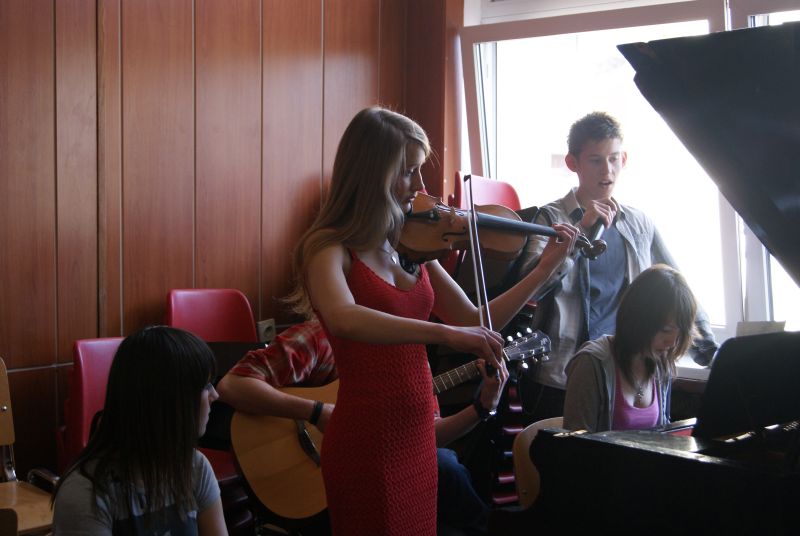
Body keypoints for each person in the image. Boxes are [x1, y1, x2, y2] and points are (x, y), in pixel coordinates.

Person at [286, 106, 578, 535]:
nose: (421, 186)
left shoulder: (410, 247)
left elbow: (476, 318)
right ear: (372, 173)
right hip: (365, 443)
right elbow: (344, 317)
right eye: (408, 172)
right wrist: (447, 334)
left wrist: (543, 271)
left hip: (419, 440)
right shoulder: (327, 248)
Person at [513, 111, 717, 422]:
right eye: (595, 160)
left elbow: (676, 290)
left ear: (624, 159)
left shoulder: (639, 223)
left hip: (623, 375)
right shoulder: (550, 218)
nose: (607, 170)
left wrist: (711, 352)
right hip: (558, 377)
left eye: (613, 159)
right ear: (573, 163)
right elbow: (528, 289)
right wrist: (581, 231)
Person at [217, 317, 500, 535]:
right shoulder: (321, 337)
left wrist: (481, 407)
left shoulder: (412, 355)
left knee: (443, 467)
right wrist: (317, 412)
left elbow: (428, 436)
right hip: (315, 478)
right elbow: (233, 385)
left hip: (378, 476)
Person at [52, 326, 228, 535]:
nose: (215, 395)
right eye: (205, 386)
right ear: (168, 401)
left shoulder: (194, 466)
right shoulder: (86, 494)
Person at [563, 264, 697, 432]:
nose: (672, 343)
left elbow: (662, 436)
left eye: (680, 333)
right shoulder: (591, 363)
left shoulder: (660, 363)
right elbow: (575, 442)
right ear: (639, 320)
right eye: (665, 330)